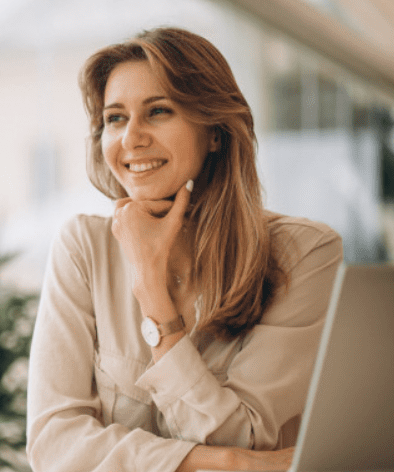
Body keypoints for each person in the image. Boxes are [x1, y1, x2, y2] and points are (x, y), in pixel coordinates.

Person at [25, 27, 343, 472]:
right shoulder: (83, 248)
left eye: (157, 111)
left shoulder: (305, 253)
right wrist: (232, 462)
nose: (131, 138)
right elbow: (54, 446)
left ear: (214, 132)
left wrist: (153, 293)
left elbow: (247, 434)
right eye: (115, 118)